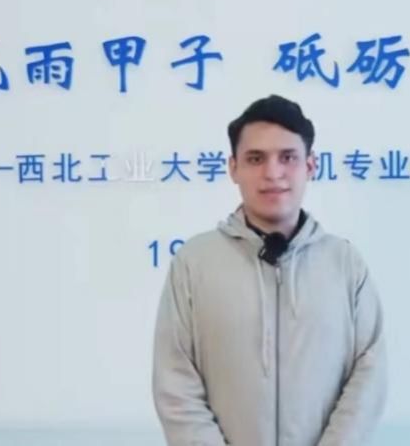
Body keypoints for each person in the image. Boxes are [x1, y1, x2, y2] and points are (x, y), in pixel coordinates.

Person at [152, 94, 387, 446]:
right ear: (233, 168)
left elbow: (369, 373)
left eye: (288, 157)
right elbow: (175, 383)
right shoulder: (194, 262)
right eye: (255, 158)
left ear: (310, 166)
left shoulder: (344, 263)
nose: (272, 173)